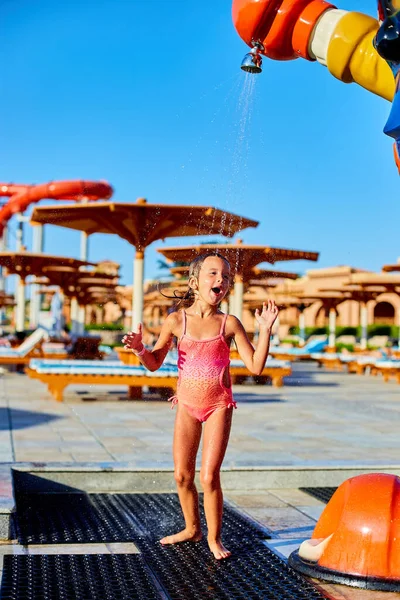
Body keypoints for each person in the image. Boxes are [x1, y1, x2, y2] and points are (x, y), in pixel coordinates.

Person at [122, 253, 279, 560]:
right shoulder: (176, 321)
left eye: (225, 276)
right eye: (212, 274)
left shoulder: (229, 324)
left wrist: (265, 330)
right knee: (182, 475)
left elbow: (256, 366)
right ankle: (191, 528)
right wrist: (140, 348)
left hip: (219, 405)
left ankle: (214, 538)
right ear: (194, 282)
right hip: (187, 405)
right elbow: (153, 364)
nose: (220, 280)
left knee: (208, 476)